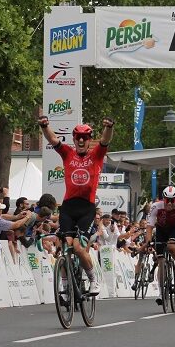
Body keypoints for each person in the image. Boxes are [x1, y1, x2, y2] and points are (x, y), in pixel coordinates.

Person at [38, 115, 115, 296]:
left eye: (85, 138)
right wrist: (44, 126)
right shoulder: (67, 153)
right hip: (68, 207)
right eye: (78, 137)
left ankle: (93, 279)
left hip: (86, 208)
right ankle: (65, 284)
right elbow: (53, 139)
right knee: (65, 247)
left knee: (79, 248)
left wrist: (109, 127)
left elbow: (105, 140)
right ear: (73, 139)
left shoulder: (96, 154)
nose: (81, 140)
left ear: (89, 140)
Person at [143, 186, 175, 306]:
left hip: (173, 229)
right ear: (164, 199)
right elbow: (149, 226)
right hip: (161, 229)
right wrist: (148, 241)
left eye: (173, 200)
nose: (170, 203)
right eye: (168, 200)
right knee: (160, 261)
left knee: (171, 247)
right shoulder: (156, 206)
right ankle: (161, 293)